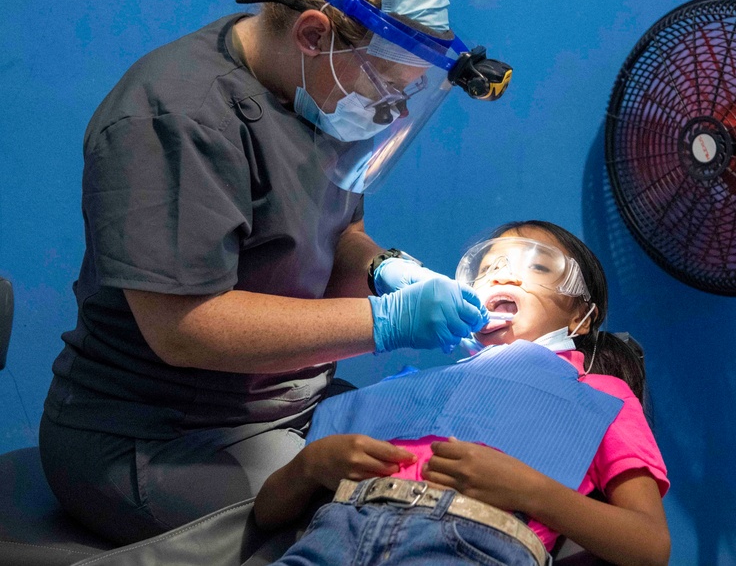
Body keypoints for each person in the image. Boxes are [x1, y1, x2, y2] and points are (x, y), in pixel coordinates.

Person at [39, 0, 510, 545]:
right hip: (159, 435)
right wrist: (389, 322)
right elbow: (185, 328)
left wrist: (381, 269)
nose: (391, 106)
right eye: (385, 84)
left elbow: (337, 228)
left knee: (459, 495)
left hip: (294, 407)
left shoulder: (325, 91)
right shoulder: (177, 117)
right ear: (313, 33)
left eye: (406, 91)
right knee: (372, 539)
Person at [255, 221, 672, 566]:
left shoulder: (600, 395)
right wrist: (311, 465)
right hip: (334, 534)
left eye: (538, 268)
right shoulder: (409, 391)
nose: (503, 275)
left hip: (469, 545)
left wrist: (528, 490)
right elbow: (265, 512)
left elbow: (649, 546)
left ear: (581, 316)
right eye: (488, 269)